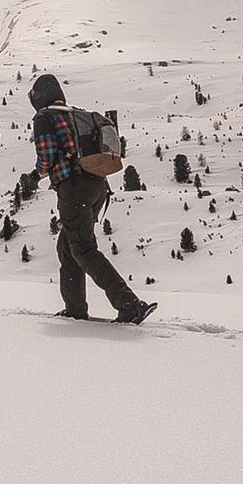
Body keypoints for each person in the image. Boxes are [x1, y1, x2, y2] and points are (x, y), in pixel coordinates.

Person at [27, 74, 156, 324]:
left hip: (73, 187)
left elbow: (47, 155)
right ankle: (75, 310)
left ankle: (129, 304)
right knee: (68, 247)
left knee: (83, 249)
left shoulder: (45, 117)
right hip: (98, 186)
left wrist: (37, 173)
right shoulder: (77, 114)